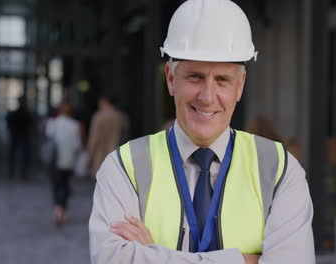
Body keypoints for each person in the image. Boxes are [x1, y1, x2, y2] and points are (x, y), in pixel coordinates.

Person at [89, 0, 315, 263]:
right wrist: (247, 260)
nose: (207, 97)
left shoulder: (280, 169)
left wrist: (152, 255)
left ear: (239, 85)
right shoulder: (123, 167)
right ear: (171, 79)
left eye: (222, 80)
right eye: (195, 77)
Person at [46, 103, 81, 226]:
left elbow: (48, 137)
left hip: (55, 160)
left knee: (56, 185)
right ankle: (63, 210)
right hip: (68, 161)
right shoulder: (75, 125)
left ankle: (57, 209)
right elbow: (77, 145)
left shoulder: (53, 124)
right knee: (65, 186)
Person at [87, 96, 129, 179]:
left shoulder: (98, 117)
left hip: (100, 156)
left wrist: (90, 157)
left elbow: (94, 139)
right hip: (116, 155)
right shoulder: (122, 117)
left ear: (104, 102)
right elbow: (126, 137)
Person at [6, 96, 34, 181]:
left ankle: (15, 172)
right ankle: (21, 172)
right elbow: (31, 125)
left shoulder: (18, 113)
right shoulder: (24, 113)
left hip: (19, 136)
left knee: (17, 154)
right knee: (22, 155)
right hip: (21, 136)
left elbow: (9, 124)